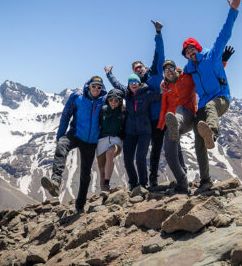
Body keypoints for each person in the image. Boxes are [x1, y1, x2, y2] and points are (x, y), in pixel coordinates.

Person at [182, 0, 241, 194]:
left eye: (192, 50)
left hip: (221, 99)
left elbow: (224, 34)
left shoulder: (211, 55)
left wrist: (232, 11)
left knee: (209, 108)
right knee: (198, 143)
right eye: (187, 52)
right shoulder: (189, 68)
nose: (190, 53)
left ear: (197, 48)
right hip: (204, 108)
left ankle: (212, 135)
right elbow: (177, 79)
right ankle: (205, 181)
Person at [41, 76, 107, 213]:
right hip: (75, 134)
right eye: (93, 86)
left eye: (99, 87)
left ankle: (80, 206)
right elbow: (66, 115)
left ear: (102, 89)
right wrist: (60, 135)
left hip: (91, 141)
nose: (96, 89)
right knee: (61, 146)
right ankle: (55, 182)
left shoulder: (104, 100)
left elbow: (118, 101)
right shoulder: (77, 97)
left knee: (85, 174)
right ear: (88, 86)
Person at [105, 71, 161, 190]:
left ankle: (143, 183)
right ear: (129, 84)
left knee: (141, 157)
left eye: (136, 81)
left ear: (139, 83)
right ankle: (133, 182)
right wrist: (109, 74)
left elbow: (160, 95)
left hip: (144, 131)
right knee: (128, 159)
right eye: (131, 82)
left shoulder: (147, 93)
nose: (133, 83)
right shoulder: (126, 93)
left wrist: (164, 89)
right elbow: (117, 84)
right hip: (130, 132)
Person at [128, 21, 167, 188]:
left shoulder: (155, 71)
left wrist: (158, 33)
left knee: (168, 147)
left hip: (163, 115)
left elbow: (160, 53)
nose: (139, 70)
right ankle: (151, 179)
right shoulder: (137, 87)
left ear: (144, 66)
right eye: (135, 69)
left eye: (140, 67)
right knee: (152, 150)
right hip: (148, 121)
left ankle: (179, 175)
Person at [158, 60, 197, 194]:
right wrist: (161, 125)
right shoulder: (166, 87)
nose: (169, 71)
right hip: (172, 123)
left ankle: (174, 124)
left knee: (178, 112)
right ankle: (182, 183)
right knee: (169, 154)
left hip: (188, 116)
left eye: (171, 68)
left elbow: (206, 73)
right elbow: (164, 108)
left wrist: (224, 62)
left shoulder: (186, 78)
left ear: (176, 69)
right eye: (166, 70)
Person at [96, 88, 125, 191]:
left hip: (116, 141)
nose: (113, 102)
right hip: (101, 142)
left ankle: (107, 182)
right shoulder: (103, 110)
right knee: (102, 173)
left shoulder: (123, 113)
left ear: (120, 101)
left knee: (110, 152)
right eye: (111, 100)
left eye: (116, 100)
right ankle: (104, 194)